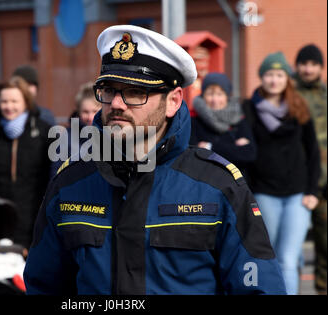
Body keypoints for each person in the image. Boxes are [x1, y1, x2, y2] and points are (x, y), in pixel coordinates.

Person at [23, 25, 286, 295]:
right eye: (109, 90)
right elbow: (43, 285)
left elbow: (260, 288)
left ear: (173, 101)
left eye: (135, 92)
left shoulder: (218, 185)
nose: (116, 104)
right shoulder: (70, 183)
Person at [243, 51, 321, 295]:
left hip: (298, 195)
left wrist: (312, 191)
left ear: (287, 78)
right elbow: (245, 151)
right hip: (265, 193)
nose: (274, 80)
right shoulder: (249, 108)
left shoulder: (298, 106)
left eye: (279, 75)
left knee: (288, 257)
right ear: (261, 77)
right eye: (269, 74)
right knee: (272, 253)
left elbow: (313, 151)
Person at [0, 76, 52, 250]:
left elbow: (50, 175)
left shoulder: (44, 132)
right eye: (4, 101)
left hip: (33, 215)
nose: (9, 106)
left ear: (26, 103)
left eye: (14, 101)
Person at [294, 44, 327, 295]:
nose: (308, 69)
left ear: (320, 67)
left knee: (325, 243)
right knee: (291, 247)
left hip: (325, 182)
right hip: (297, 182)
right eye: (304, 64)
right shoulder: (288, 93)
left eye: (313, 64)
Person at [190, 72, 256, 175]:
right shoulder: (193, 120)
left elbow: (249, 154)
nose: (215, 100)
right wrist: (233, 148)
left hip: (235, 184)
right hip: (204, 181)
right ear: (203, 95)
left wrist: (209, 147)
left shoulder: (238, 119)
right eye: (210, 94)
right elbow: (194, 154)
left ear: (227, 96)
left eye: (220, 94)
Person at [50, 81, 102, 176]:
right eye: (85, 112)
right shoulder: (67, 138)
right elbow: (56, 173)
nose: (90, 117)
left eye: (95, 111)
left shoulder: (111, 135)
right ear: (78, 112)